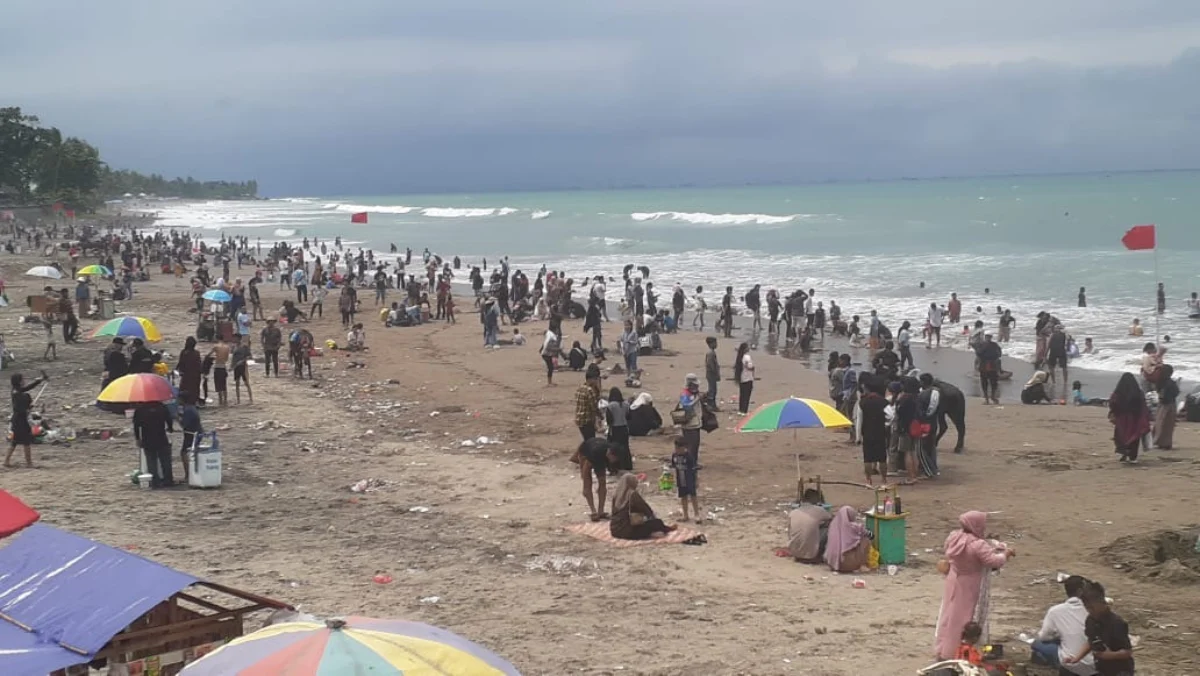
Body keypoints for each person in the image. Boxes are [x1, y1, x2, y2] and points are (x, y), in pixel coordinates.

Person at [934, 511, 1015, 660]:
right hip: (969, 582)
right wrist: (1006, 554)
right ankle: (954, 651)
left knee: (948, 615)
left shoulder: (954, 536)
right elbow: (993, 561)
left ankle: (941, 648)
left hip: (953, 578)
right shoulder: (977, 544)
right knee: (962, 618)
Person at [1031, 575, 1096, 675]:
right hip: (1095, 663)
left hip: (1070, 663)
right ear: (1080, 591)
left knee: (1037, 643)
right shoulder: (1095, 610)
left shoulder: (1055, 611)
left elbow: (1044, 637)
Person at [1064, 583, 1134, 675]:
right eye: (1087, 608)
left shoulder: (1117, 623)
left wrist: (1108, 656)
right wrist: (1076, 658)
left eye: (1092, 607)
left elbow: (1127, 652)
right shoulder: (1090, 620)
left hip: (1120, 670)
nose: (1089, 611)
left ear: (1102, 602)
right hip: (1102, 668)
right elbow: (1091, 641)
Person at [610, 473, 676, 540]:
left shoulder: (616, 495)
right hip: (628, 532)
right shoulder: (632, 494)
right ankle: (665, 529)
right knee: (657, 523)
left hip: (614, 530)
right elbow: (646, 509)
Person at [6, 371, 48, 468]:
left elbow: (26, 389)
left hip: (16, 420)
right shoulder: (19, 394)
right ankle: (29, 463)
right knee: (26, 441)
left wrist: (39, 381)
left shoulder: (15, 390)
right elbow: (22, 409)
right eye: (23, 379)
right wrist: (29, 406)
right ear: (19, 381)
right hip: (21, 421)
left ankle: (6, 461)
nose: (24, 381)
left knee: (15, 441)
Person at [133, 400, 176, 488]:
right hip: (161, 437)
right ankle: (168, 480)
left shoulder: (140, 410)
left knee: (151, 461)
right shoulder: (162, 407)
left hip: (147, 438)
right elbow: (169, 419)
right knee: (165, 460)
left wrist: (138, 438)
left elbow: (136, 426)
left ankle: (155, 482)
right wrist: (170, 428)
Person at [1109, 373, 1150, 463]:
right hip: (1135, 419)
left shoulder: (1118, 393)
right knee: (1135, 438)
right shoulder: (1138, 393)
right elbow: (1143, 406)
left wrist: (1114, 413)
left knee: (1121, 437)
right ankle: (1133, 457)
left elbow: (1113, 403)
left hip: (1122, 420)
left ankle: (1124, 453)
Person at [577, 436, 616, 522]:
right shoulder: (596, 452)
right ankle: (593, 511)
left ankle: (601, 511)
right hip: (586, 453)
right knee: (587, 482)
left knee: (602, 482)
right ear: (609, 453)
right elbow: (586, 486)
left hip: (599, 453)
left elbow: (603, 481)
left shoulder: (612, 454)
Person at [786, 489, 832, 563]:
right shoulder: (819, 510)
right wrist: (823, 503)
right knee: (830, 529)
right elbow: (831, 519)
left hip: (795, 553)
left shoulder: (793, 512)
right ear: (816, 499)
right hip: (811, 555)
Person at [859, 378, 889, 485]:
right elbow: (890, 416)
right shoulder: (884, 401)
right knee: (882, 458)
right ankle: (884, 479)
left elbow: (860, 419)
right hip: (881, 432)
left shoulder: (863, 402)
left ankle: (868, 479)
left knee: (867, 458)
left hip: (867, 433)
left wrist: (858, 437)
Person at [823, 506, 871, 573]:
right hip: (848, 565)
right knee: (866, 540)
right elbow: (870, 535)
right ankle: (863, 565)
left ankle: (836, 564)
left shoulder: (832, 525)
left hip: (831, 563)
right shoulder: (854, 526)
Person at [670, 435, 700, 523]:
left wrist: (696, 480)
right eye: (676, 448)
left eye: (679, 448)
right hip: (680, 479)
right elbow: (673, 466)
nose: (677, 450)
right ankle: (685, 515)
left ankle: (696, 514)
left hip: (689, 479)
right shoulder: (674, 456)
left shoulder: (689, 456)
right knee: (683, 497)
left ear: (684, 447)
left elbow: (694, 469)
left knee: (693, 496)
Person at [604, 388, 633, 472]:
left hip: (615, 429)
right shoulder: (626, 404)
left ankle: (616, 466)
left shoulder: (610, 406)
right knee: (625, 447)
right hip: (624, 429)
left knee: (614, 448)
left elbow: (609, 420)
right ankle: (627, 465)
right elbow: (629, 417)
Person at [678, 374, 704, 466]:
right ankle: (691, 464)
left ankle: (694, 462)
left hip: (695, 423)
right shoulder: (685, 394)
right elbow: (686, 406)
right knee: (691, 446)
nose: (697, 387)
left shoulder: (693, 393)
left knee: (695, 445)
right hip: (689, 425)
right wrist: (697, 399)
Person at [179, 394, 204, 483]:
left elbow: (184, 425)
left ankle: (188, 475)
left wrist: (177, 418)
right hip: (197, 433)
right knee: (192, 452)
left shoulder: (188, 410)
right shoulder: (191, 408)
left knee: (184, 453)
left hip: (192, 434)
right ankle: (193, 472)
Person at [1153, 364, 1178, 450]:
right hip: (1169, 404)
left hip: (1163, 405)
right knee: (1167, 425)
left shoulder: (1161, 382)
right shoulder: (1170, 382)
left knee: (1161, 423)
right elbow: (1176, 393)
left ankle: (1160, 442)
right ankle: (1165, 443)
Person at [574, 364, 602, 441]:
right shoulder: (590, 391)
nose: (597, 381)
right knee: (591, 441)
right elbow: (594, 407)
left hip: (579, 419)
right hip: (587, 420)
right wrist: (601, 417)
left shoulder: (580, 388)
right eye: (595, 379)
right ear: (591, 379)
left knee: (587, 440)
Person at [975, 332, 1002, 404]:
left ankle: (987, 398)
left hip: (984, 365)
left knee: (984, 382)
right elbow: (999, 354)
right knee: (993, 382)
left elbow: (978, 353)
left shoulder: (982, 345)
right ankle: (992, 397)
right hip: (993, 365)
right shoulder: (995, 345)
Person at [177, 337, 203, 404]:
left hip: (186, 376)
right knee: (194, 392)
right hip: (195, 377)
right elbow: (199, 365)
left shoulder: (183, 353)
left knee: (184, 392)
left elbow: (180, 364)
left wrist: (180, 371)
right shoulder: (196, 353)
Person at [208, 336, 230, 407]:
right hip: (223, 367)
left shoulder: (216, 346)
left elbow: (208, 355)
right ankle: (225, 401)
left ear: (217, 339)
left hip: (217, 367)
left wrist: (214, 358)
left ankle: (220, 401)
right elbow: (226, 359)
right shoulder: (227, 347)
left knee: (218, 385)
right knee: (224, 385)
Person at [232, 335, 253, 405]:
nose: (234, 339)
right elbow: (233, 358)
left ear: (239, 339)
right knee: (237, 383)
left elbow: (250, 356)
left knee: (246, 383)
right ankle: (238, 400)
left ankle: (251, 399)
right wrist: (232, 366)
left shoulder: (244, 347)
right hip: (236, 367)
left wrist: (242, 360)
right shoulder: (234, 347)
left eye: (235, 338)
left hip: (243, 367)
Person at [541, 318, 562, 386]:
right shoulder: (551, 337)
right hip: (546, 354)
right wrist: (557, 349)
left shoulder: (550, 335)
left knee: (551, 368)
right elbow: (549, 347)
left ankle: (550, 382)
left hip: (546, 354)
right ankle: (549, 383)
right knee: (550, 368)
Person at [704, 336, 720, 410]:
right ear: (710, 344)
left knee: (713, 390)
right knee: (712, 390)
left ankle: (712, 405)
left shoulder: (712, 352)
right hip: (711, 374)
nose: (716, 344)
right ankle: (711, 405)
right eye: (715, 343)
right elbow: (710, 364)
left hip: (711, 374)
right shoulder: (711, 353)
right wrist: (715, 373)